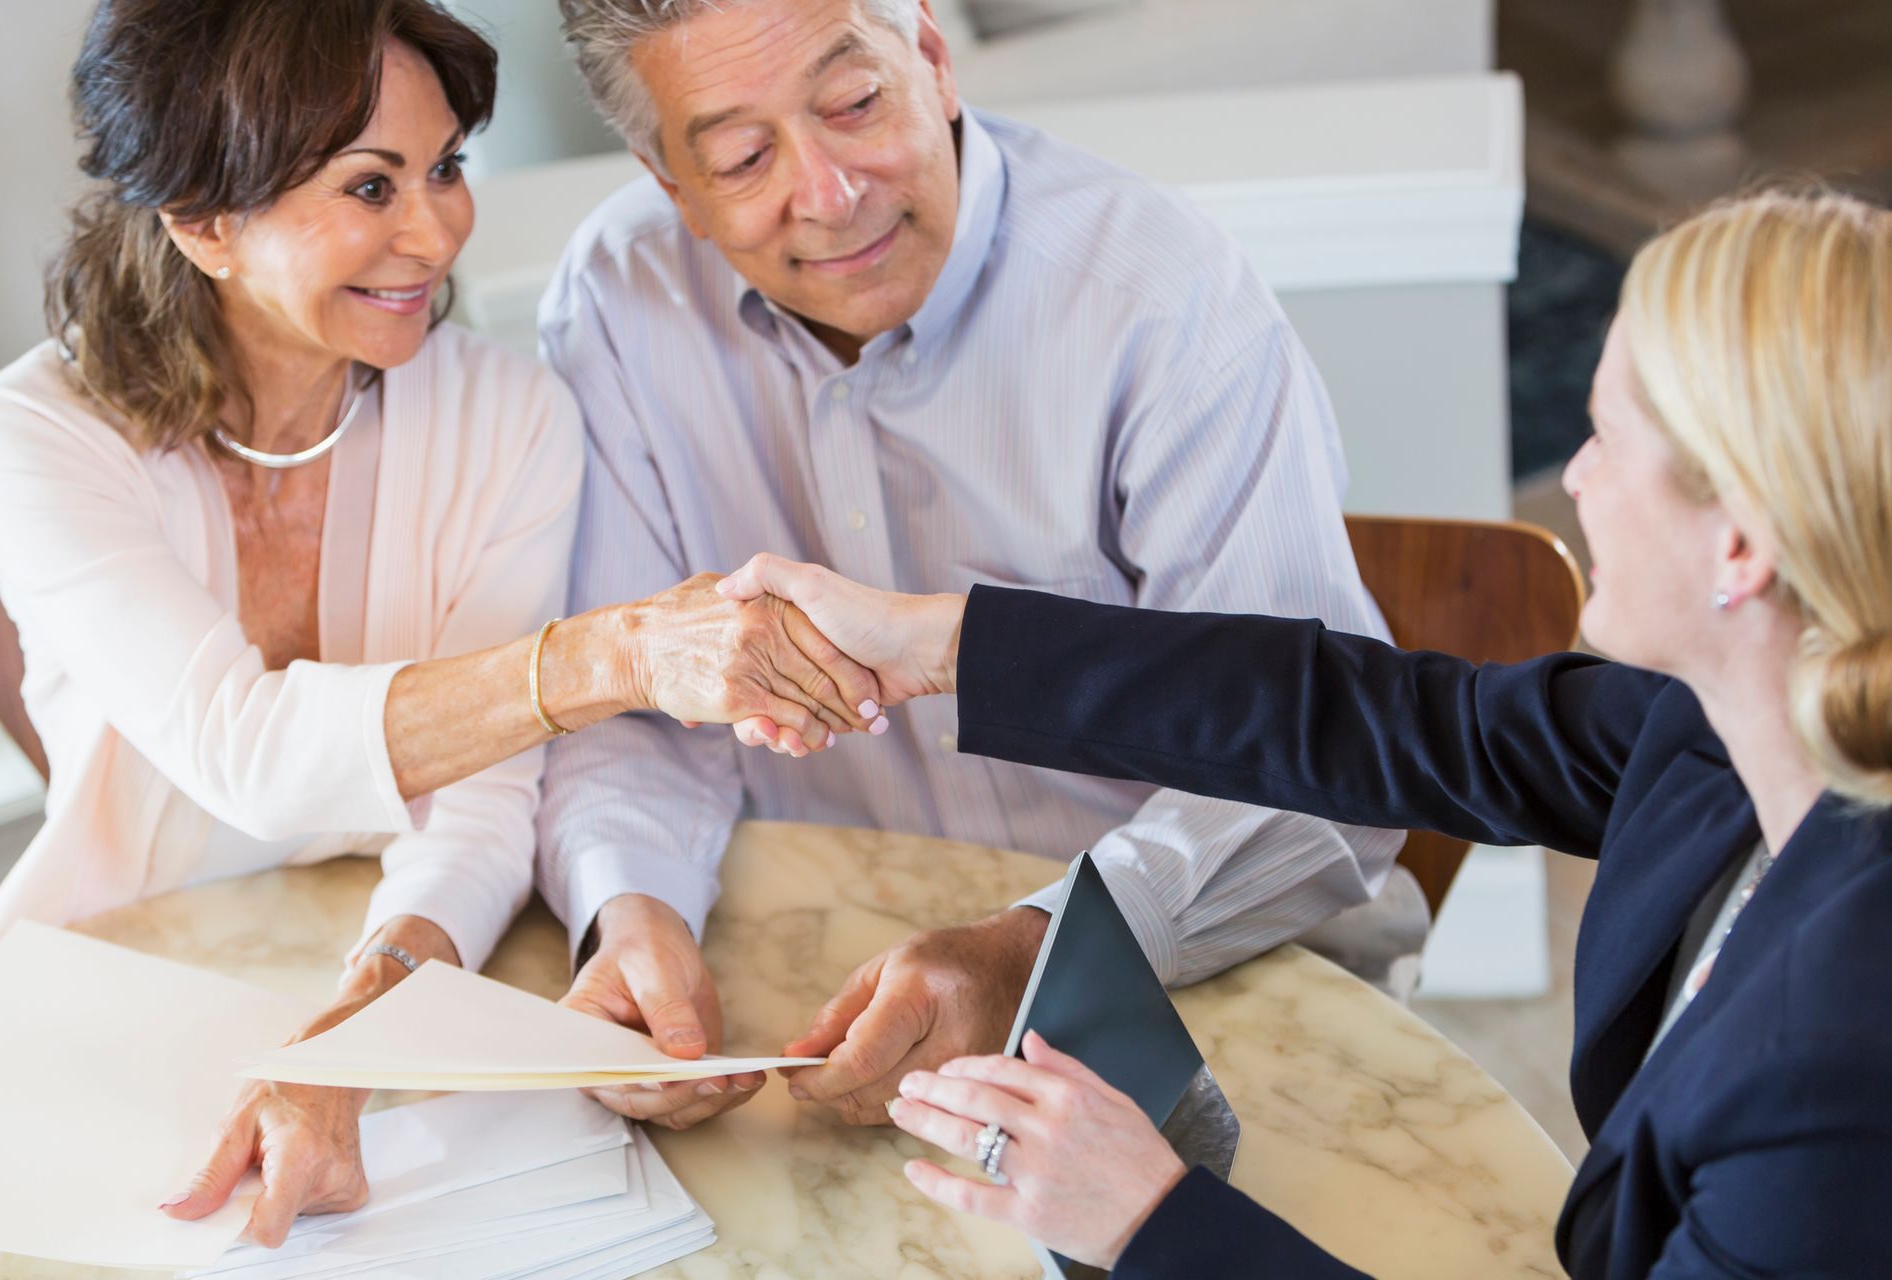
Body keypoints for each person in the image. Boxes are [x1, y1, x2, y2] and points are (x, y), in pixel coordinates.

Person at [713, 188, 1892, 1275]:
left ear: (1742, 543)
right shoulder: (1729, 722)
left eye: (1608, 436)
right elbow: (1394, 720)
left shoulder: (1839, 1067)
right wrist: (944, 646)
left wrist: (1151, 1219)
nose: (1573, 476)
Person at [0, 0, 879, 1248]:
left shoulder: (509, 418)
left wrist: (366, 1013)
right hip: (108, 997)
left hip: (441, 947)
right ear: (203, 222)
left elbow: (486, 798)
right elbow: (253, 754)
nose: (435, 231)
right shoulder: (38, 435)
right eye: (369, 185)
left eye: (445, 168)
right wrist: (602, 656)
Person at [537, 0, 1419, 1136]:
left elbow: (1318, 766)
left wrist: (1040, 943)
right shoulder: (617, 299)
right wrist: (634, 911)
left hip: (1200, 966)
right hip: (820, 985)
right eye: (743, 158)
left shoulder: (1160, 297)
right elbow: (636, 715)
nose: (830, 191)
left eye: (855, 104)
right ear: (675, 188)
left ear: (936, 63)